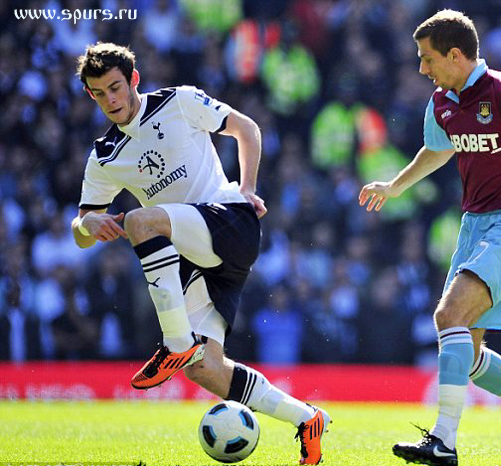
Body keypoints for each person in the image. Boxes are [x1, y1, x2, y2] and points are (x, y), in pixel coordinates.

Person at [72, 43, 329, 465]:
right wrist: (87, 226)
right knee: (204, 368)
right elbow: (81, 227)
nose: (111, 99)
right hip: (195, 258)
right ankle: (308, 419)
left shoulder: (179, 101)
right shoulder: (103, 157)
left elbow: (246, 127)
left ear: (134, 79)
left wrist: (246, 187)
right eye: (99, 93)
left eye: (116, 87)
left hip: (230, 221)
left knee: (140, 221)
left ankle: (175, 343)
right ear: (90, 95)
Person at [359, 10, 501, 466]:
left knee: (448, 317)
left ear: (456, 54)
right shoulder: (443, 101)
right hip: (474, 228)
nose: (422, 69)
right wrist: (394, 186)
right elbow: (436, 149)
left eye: (428, 60)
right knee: (467, 354)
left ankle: (443, 440)